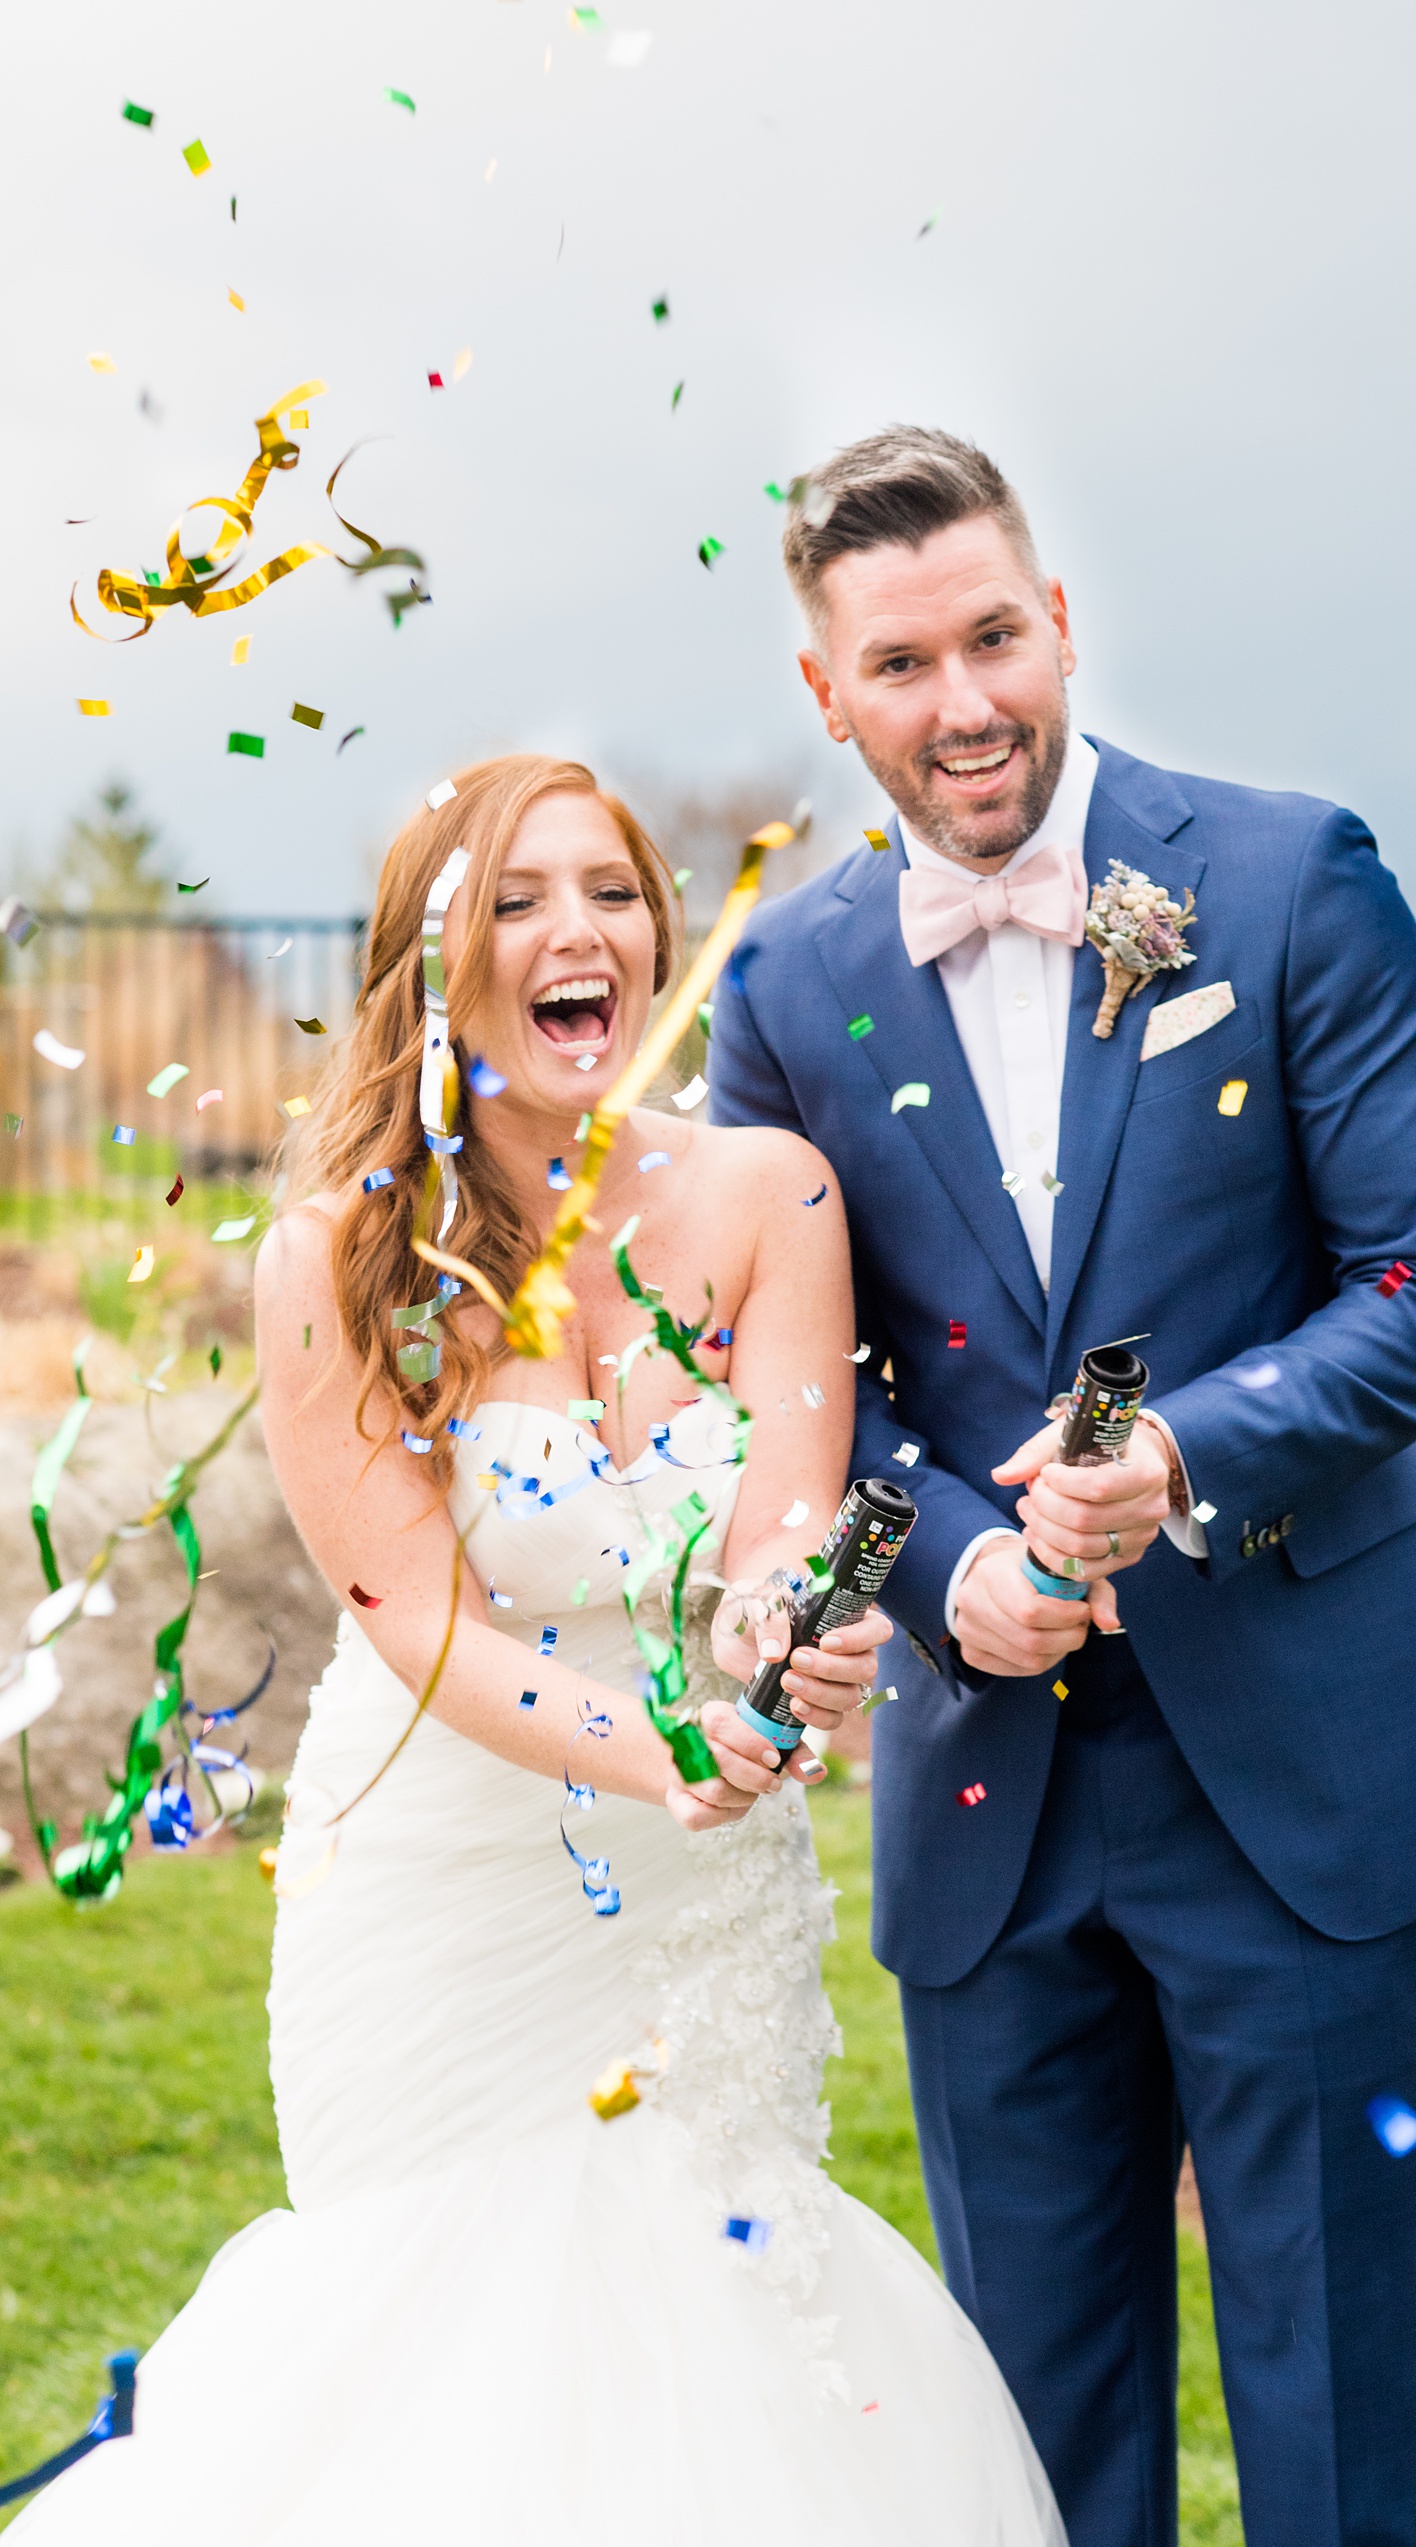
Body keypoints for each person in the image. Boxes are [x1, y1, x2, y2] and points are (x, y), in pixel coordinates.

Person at [10, 754, 1063, 2547]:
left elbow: (785, 1524)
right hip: (442, 1881)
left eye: (611, 890)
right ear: (431, 969)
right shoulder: (342, 1251)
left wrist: (778, 1642)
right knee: (438, 2338)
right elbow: (411, 1619)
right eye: (514, 900)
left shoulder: (770, 1196)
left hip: (702, 1877)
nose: (579, 933)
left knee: (717, 2327)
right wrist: (649, 1742)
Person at [707, 428, 1416, 2547]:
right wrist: (939, 1573)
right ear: (828, 695)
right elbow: (796, 1400)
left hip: (1307, 1775)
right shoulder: (784, 988)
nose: (965, 698)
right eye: (902, 661)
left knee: (1337, 2431)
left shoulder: (1279, 876)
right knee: (1030, 2450)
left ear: (1058, 619)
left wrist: (1178, 1448)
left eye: (995, 635)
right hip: (991, 1805)